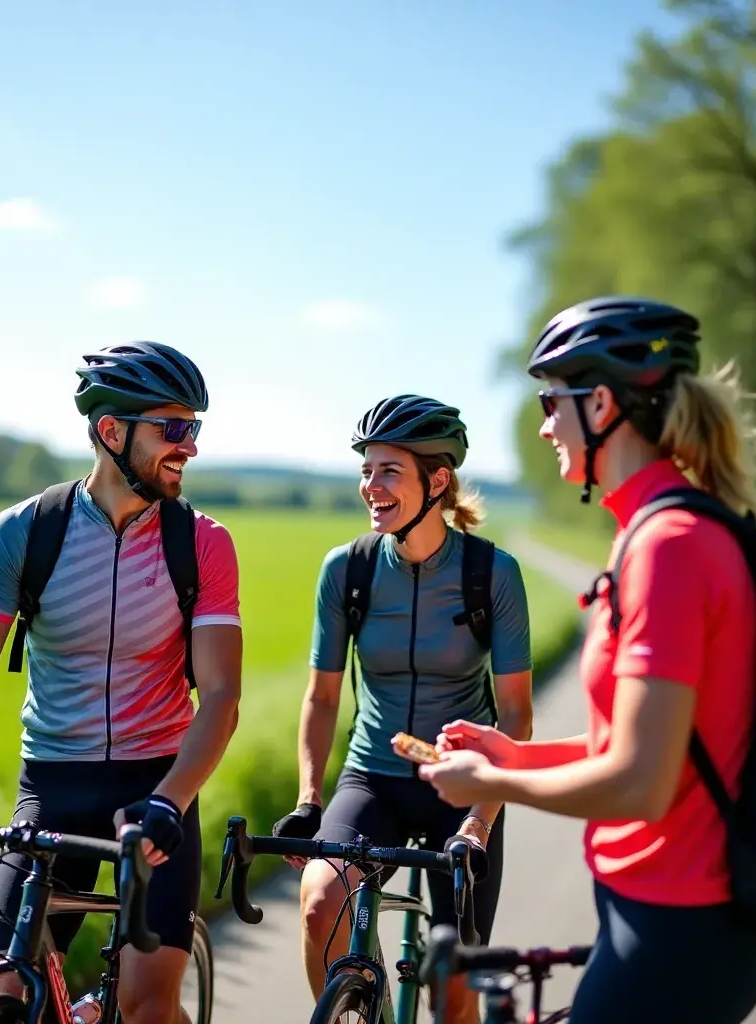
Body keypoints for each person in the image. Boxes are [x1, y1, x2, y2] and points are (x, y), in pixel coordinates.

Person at [418, 297, 756, 1024]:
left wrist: (491, 784)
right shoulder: (655, 530)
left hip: (679, 927)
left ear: (602, 403)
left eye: (554, 401)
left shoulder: (666, 546)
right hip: (662, 920)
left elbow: (639, 785)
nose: (546, 424)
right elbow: (639, 749)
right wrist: (513, 757)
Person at [0, 342, 243, 1024]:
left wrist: (170, 801)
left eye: (196, 429)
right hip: (54, 787)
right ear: (110, 432)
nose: (190, 447)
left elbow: (220, 697)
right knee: (3, 992)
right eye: (173, 429)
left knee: (146, 1007)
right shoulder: (27, 533)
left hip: (156, 790)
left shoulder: (202, 544)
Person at [272, 394, 535, 1024]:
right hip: (375, 780)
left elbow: (517, 715)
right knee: (319, 902)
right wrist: (310, 799)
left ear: (437, 480)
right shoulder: (349, 570)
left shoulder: (491, 574)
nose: (371, 486)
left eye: (389, 470)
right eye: (366, 470)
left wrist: (480, 819)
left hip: (463, 785)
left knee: (455, 992)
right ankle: (357, 1010)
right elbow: (323, 695)